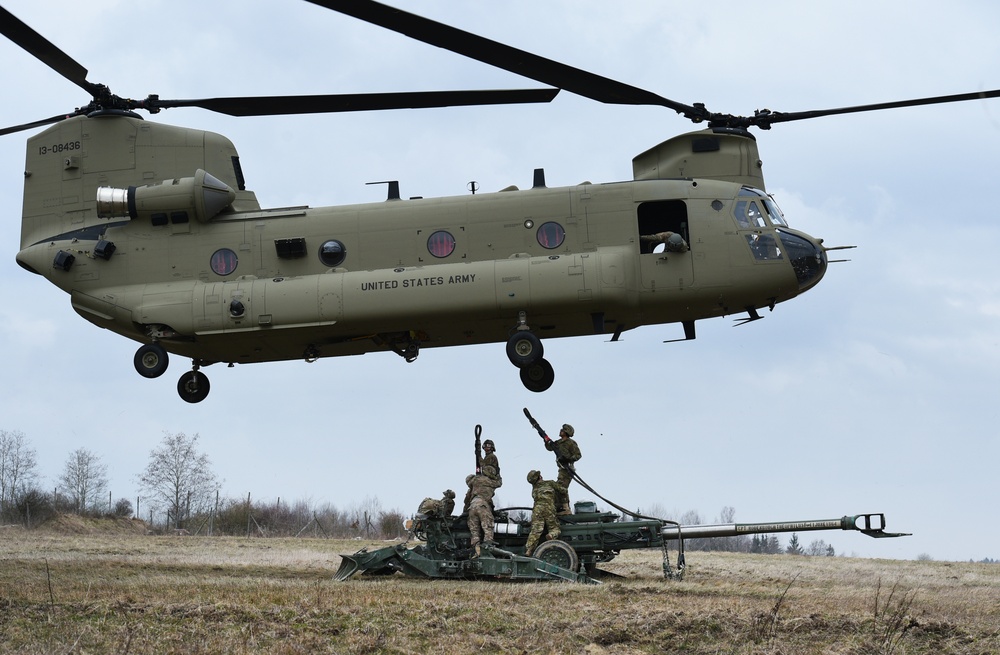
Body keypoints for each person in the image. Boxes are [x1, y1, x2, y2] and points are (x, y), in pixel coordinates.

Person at [523, 470, 568, 557]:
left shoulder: (534, 488)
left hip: (537, 510)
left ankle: (529, 550)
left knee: (535, 531)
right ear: (540, 477)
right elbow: (563, 491)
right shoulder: (550, 483)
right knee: (555, 528)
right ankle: (551, 535)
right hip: (549, 509)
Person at [466, 465, 503, 557]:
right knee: (488, 528)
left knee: (475, 532)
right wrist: (498, 474)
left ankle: (476, 550)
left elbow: (469, 482)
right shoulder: (489, 481)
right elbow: (499, 483)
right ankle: (486, 550)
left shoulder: (475, 480)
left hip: (472, 506)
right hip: (482, 506)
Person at [544, 423, 581, 514]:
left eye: (563, 430)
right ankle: (560, 507)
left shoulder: (571, 443)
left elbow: (578, 455)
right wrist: (546, 441)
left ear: (567, 432)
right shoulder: (558, 442)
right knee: (558, 488)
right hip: (561, 469)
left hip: (568, 469)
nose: (561, 431)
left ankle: (565, 508)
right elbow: (550, 448)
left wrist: (568, 459)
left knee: (561, 487)